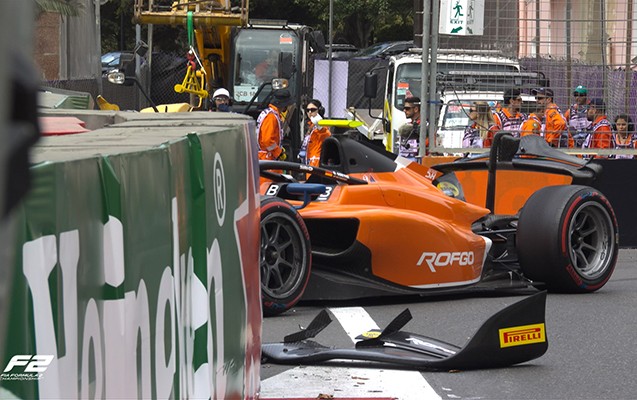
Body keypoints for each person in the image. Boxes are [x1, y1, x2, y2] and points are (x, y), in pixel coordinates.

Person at [256, 89, 295, 160]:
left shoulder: (270, 114)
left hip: (266, 156)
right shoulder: (271, 117)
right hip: (267, 158)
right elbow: (267, 141)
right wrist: (278, 152)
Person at [299, 99, 331, 167]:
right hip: (309, 162)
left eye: (313, 110)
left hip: (317, 163)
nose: (310, 112)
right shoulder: (311, 126)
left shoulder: (322, 126)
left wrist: (319, 124)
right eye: (308, 110)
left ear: (320, 111)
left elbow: (325, 133)